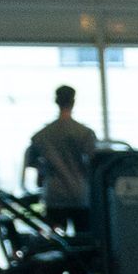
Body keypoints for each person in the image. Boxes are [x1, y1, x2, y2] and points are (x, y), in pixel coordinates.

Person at [29, 84, 100, 231]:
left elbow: (33, 163)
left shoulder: (42, 135)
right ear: (73, 102)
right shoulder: (84, 133)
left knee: (56, 242)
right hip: (80, 195)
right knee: (83, 240)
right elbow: (94, 162)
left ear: (56, 101)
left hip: (54, 195)